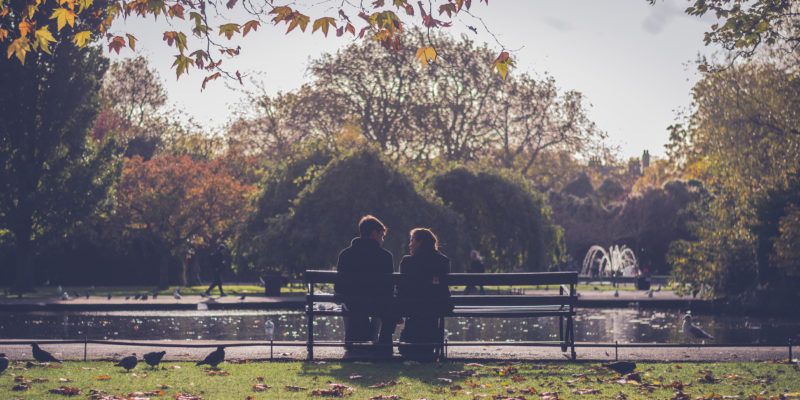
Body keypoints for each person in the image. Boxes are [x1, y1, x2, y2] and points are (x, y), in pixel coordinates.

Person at [334, 215, 396, 356]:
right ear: (374, 233)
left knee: (347, 302)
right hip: (377, 304)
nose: (382, 239)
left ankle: (352, 340)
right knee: (381, 304)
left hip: (353, 304)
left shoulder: (345, 254)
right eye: (381, 235)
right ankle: (373, 339)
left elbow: (339, 288)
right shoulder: (385, 256)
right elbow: (388, 288)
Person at [397, 228, 453, 360]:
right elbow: (442, 287)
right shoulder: (443, 261)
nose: (409, 244)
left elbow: (402, 288)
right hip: (437, 306)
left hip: (411, 306)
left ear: (420, 242)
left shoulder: (407, 262)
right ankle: (430, 340)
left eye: (412, 240)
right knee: (428, 309)